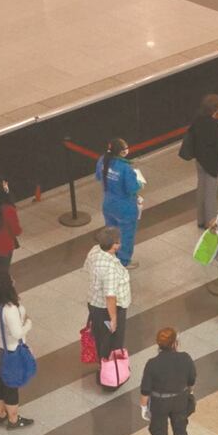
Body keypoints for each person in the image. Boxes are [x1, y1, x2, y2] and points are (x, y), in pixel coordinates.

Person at [138, 327, 197, 435]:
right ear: (174, 344)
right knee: (181, 431)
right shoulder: (185, 358)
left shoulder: (152, 364)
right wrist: (189, 393)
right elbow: (191, 381)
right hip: (180, 401)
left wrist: (144, 408)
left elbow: (145, 390)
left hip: (159, 404)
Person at [0, 269, 35, 429]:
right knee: (12, 385)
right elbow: (17, 333)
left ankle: (0, 414)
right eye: (11, 280)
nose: (14, 281)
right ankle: (13, 419)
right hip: (10, 350)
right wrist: (28, 324)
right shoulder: (9, 309)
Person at [84, 226, 131, 361]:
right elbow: (110, 296)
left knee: (101, 337)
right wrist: (113, 319)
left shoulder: (95, 250)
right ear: (114, 245)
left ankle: (105, 362)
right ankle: (110, 368)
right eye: (118, 241)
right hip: (108, 309)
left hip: (95, 302)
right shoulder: (109, 267)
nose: (120, 243)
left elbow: (87, 268)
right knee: (111, 341)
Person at [96, 138, 143, 268]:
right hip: (125, 207)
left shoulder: (102, 160)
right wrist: (139, 183)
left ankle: (111, 256)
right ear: (122, 152)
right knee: (126, 235)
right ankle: (123, 261)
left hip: (108, 204)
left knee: (111, 232)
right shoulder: (125, 168)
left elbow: (99, 177)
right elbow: (132, 188)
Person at [190, 94, 218, 229]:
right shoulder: (215, 126)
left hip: (199, 159)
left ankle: (200, 219)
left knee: (201, 188)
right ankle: (210, 222)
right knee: (210, 193)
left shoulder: (198, 119)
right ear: (216, 108)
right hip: (212, 163)